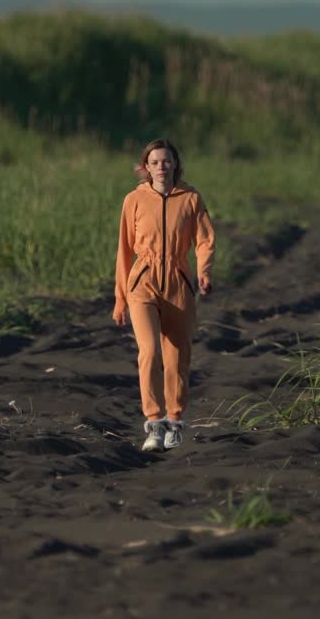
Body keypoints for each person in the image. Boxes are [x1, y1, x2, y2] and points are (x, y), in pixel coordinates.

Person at [112, 139, 216, 452]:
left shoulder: (191, 198)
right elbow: (124, 251)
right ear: (145, 167)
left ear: (175, 165)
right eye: (154, 162)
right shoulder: (133, 200)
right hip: (142, 284)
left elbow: (204, 240)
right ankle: (154, 424)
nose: (161, 167)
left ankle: (174, 421)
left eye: (166, 161)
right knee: (149, 352)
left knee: (176, 357)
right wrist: (120, 298)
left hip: (179, 284)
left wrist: (204, 271)